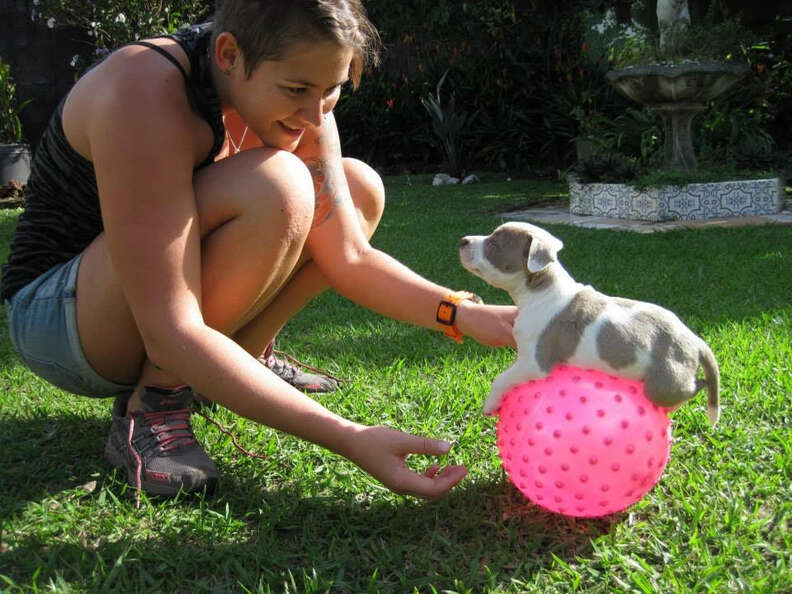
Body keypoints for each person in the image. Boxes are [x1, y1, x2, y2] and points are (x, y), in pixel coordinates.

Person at [1, 0, 516, 501]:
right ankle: (154, 405)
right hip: (61, 320)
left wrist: (465, 315)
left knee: (358, 188)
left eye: (332, 90)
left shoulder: (299, 99)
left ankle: (247, 356)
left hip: (138, 309)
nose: (315, 115)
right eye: (297, 89)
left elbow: (350, 257)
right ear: (228, 55)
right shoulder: (144, 88)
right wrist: (348, 437)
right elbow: (170, 330)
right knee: (279, 184)